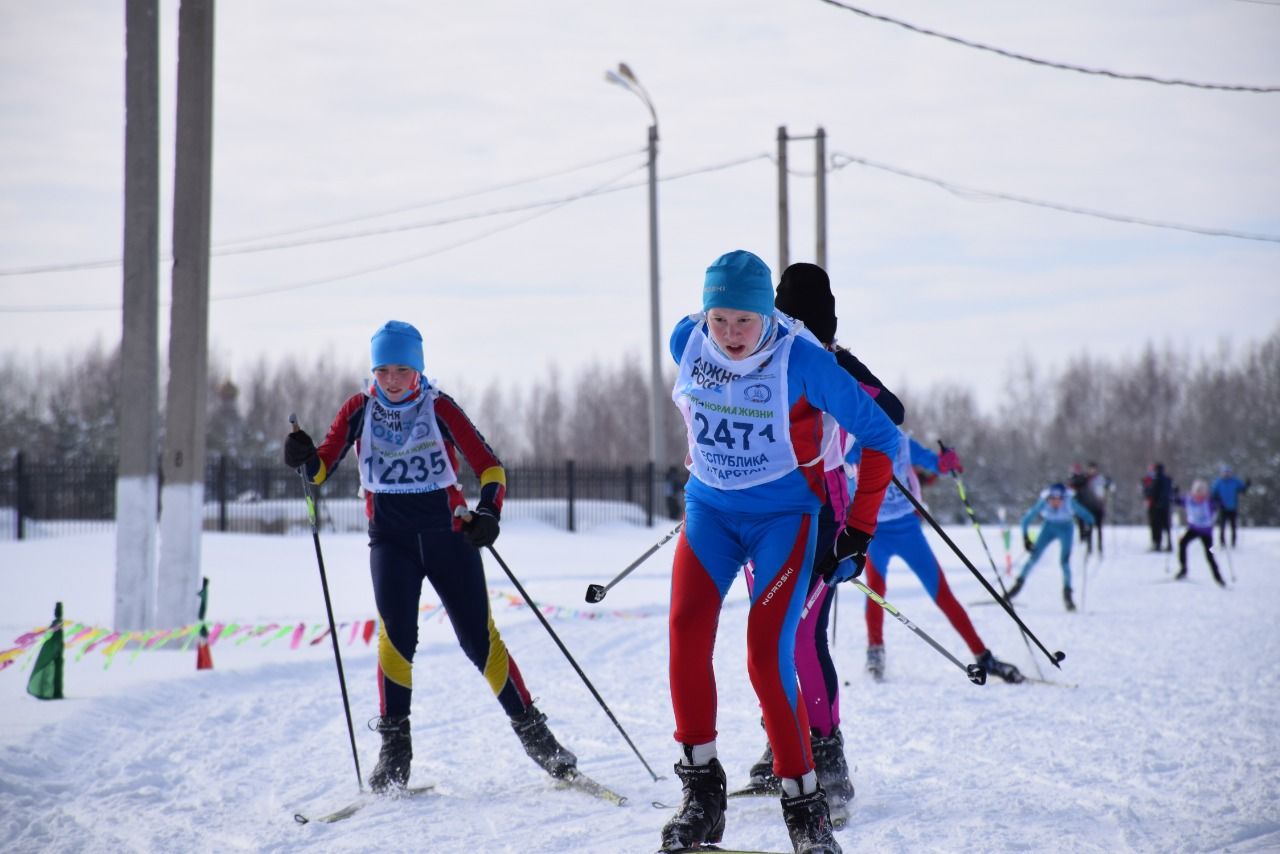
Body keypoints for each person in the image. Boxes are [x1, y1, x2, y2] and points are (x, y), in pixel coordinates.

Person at [660, 250, 900, 854]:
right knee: (686, 628)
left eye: (746, 320)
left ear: (769, 313)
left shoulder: (803, 360)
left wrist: (860, 529)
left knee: (769, 652)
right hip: (709, 513)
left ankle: (807, 810)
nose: (732, 335)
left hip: (782, 520)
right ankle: (702, 795)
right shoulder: (687, 338)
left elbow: (883, 433)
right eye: (721, 319)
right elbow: (695, 340)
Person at [282, 320, 578, 794]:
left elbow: (490, 466)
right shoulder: (359, 408)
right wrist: (301, 455)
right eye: (384, 370)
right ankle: (394, 755)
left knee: (480, 641)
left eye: (403, 370)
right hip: (391, 541)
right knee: (395, 641)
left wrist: (488, 513)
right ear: (373, 370)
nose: (393, 380)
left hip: (448, 537)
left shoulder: (438, 406)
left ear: (418, 369)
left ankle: (539, 739)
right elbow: (318, 472)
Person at [737, 261, 906, 826]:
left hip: (825, 503)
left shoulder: (828, 358)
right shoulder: (764, 352)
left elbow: (892, 411)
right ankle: (782, 743)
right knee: (767, 632)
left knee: (802, 634)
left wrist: (839, 367)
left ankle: (828, 761)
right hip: (763, 501)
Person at [855, 431, 1023, 684]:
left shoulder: (901, 442)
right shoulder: (855, 444)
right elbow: (832, 466)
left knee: (942, 593)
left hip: (907, 529)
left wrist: (947, 462)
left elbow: (935, 464)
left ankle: (982, 655)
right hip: (875, 531)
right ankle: (875, 653)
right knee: (875, 592)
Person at [1007, 482, 1096, 612]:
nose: (1054, 502)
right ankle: (1016, 587)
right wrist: (1026, 539)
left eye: (1058, 499)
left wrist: (1088, 530)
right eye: (1052, 499)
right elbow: (1026, 520)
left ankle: (1067, 595)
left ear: (1063, 498)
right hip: (1048, 527)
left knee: (1064, 562)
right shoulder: (1043, 502)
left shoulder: (1070, 502)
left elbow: (1089, 518)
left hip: (1066, 528)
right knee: (1033, 558)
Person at [1174, 479, 1225, 586]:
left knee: (1210, 554)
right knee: (1182, 543)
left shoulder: (1209, 502)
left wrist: (1220, 502)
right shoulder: (1188, 499)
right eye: (1197, 492)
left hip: (1206, 532)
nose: (1199, 495)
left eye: (1202, 492)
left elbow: (1221, 505)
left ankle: (1218, 577)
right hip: (1193, 529)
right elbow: (1176, 500)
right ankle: (1183, 569)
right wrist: (1174, 494)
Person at [1210, 464, 1250, 548]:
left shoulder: (1235, 481)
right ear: (1222, 473)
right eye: (1225, 472)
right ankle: (1222, 542)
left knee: (1233, 526)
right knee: (1222, 526)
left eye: (1228, 472)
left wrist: (1247, 485)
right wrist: (1217, 500)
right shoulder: (1218, 482)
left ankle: (1233, 543)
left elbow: (1243, 489)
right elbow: (1213, 494)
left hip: (1233, 507)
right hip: (1222, 508)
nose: (1226, 474)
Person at [1143, 462, 1175, 551]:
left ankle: (1157, 544)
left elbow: (1152, 492)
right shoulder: (1168, 479)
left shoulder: (1156, 480)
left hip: (1156, 506)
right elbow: (1172, 491)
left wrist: (1147, 492)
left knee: (1156, 526)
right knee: (1166, 526)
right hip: (1166, 506)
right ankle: (1169, 543)